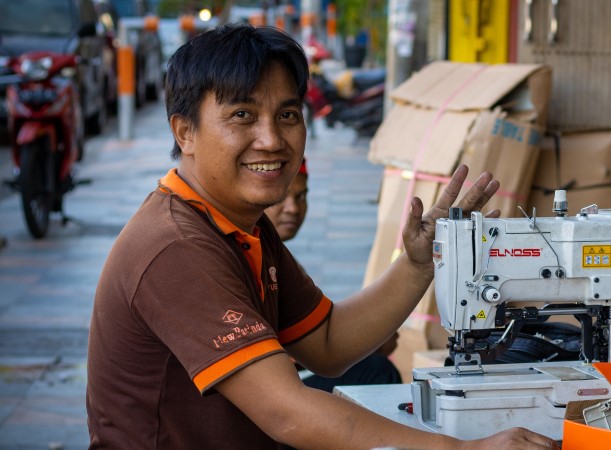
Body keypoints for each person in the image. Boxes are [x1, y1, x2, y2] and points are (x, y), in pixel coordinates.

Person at [86, 24, 555, 450]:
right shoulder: (178, 247)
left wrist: (419, 262)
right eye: (243, 115)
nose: (271, 139)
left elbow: (327, 343)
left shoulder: (241, 224)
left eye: (287, 115)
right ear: (185, 132)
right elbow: (287, 414)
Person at [265, 159, 402, 391]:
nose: (293, 208)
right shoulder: (256, 259)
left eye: (300, 197)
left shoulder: (282, 258)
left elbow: (314, 328)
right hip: (274, 388)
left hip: (293, 374)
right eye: (281, 198)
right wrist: (363, 344)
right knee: (377, 371)